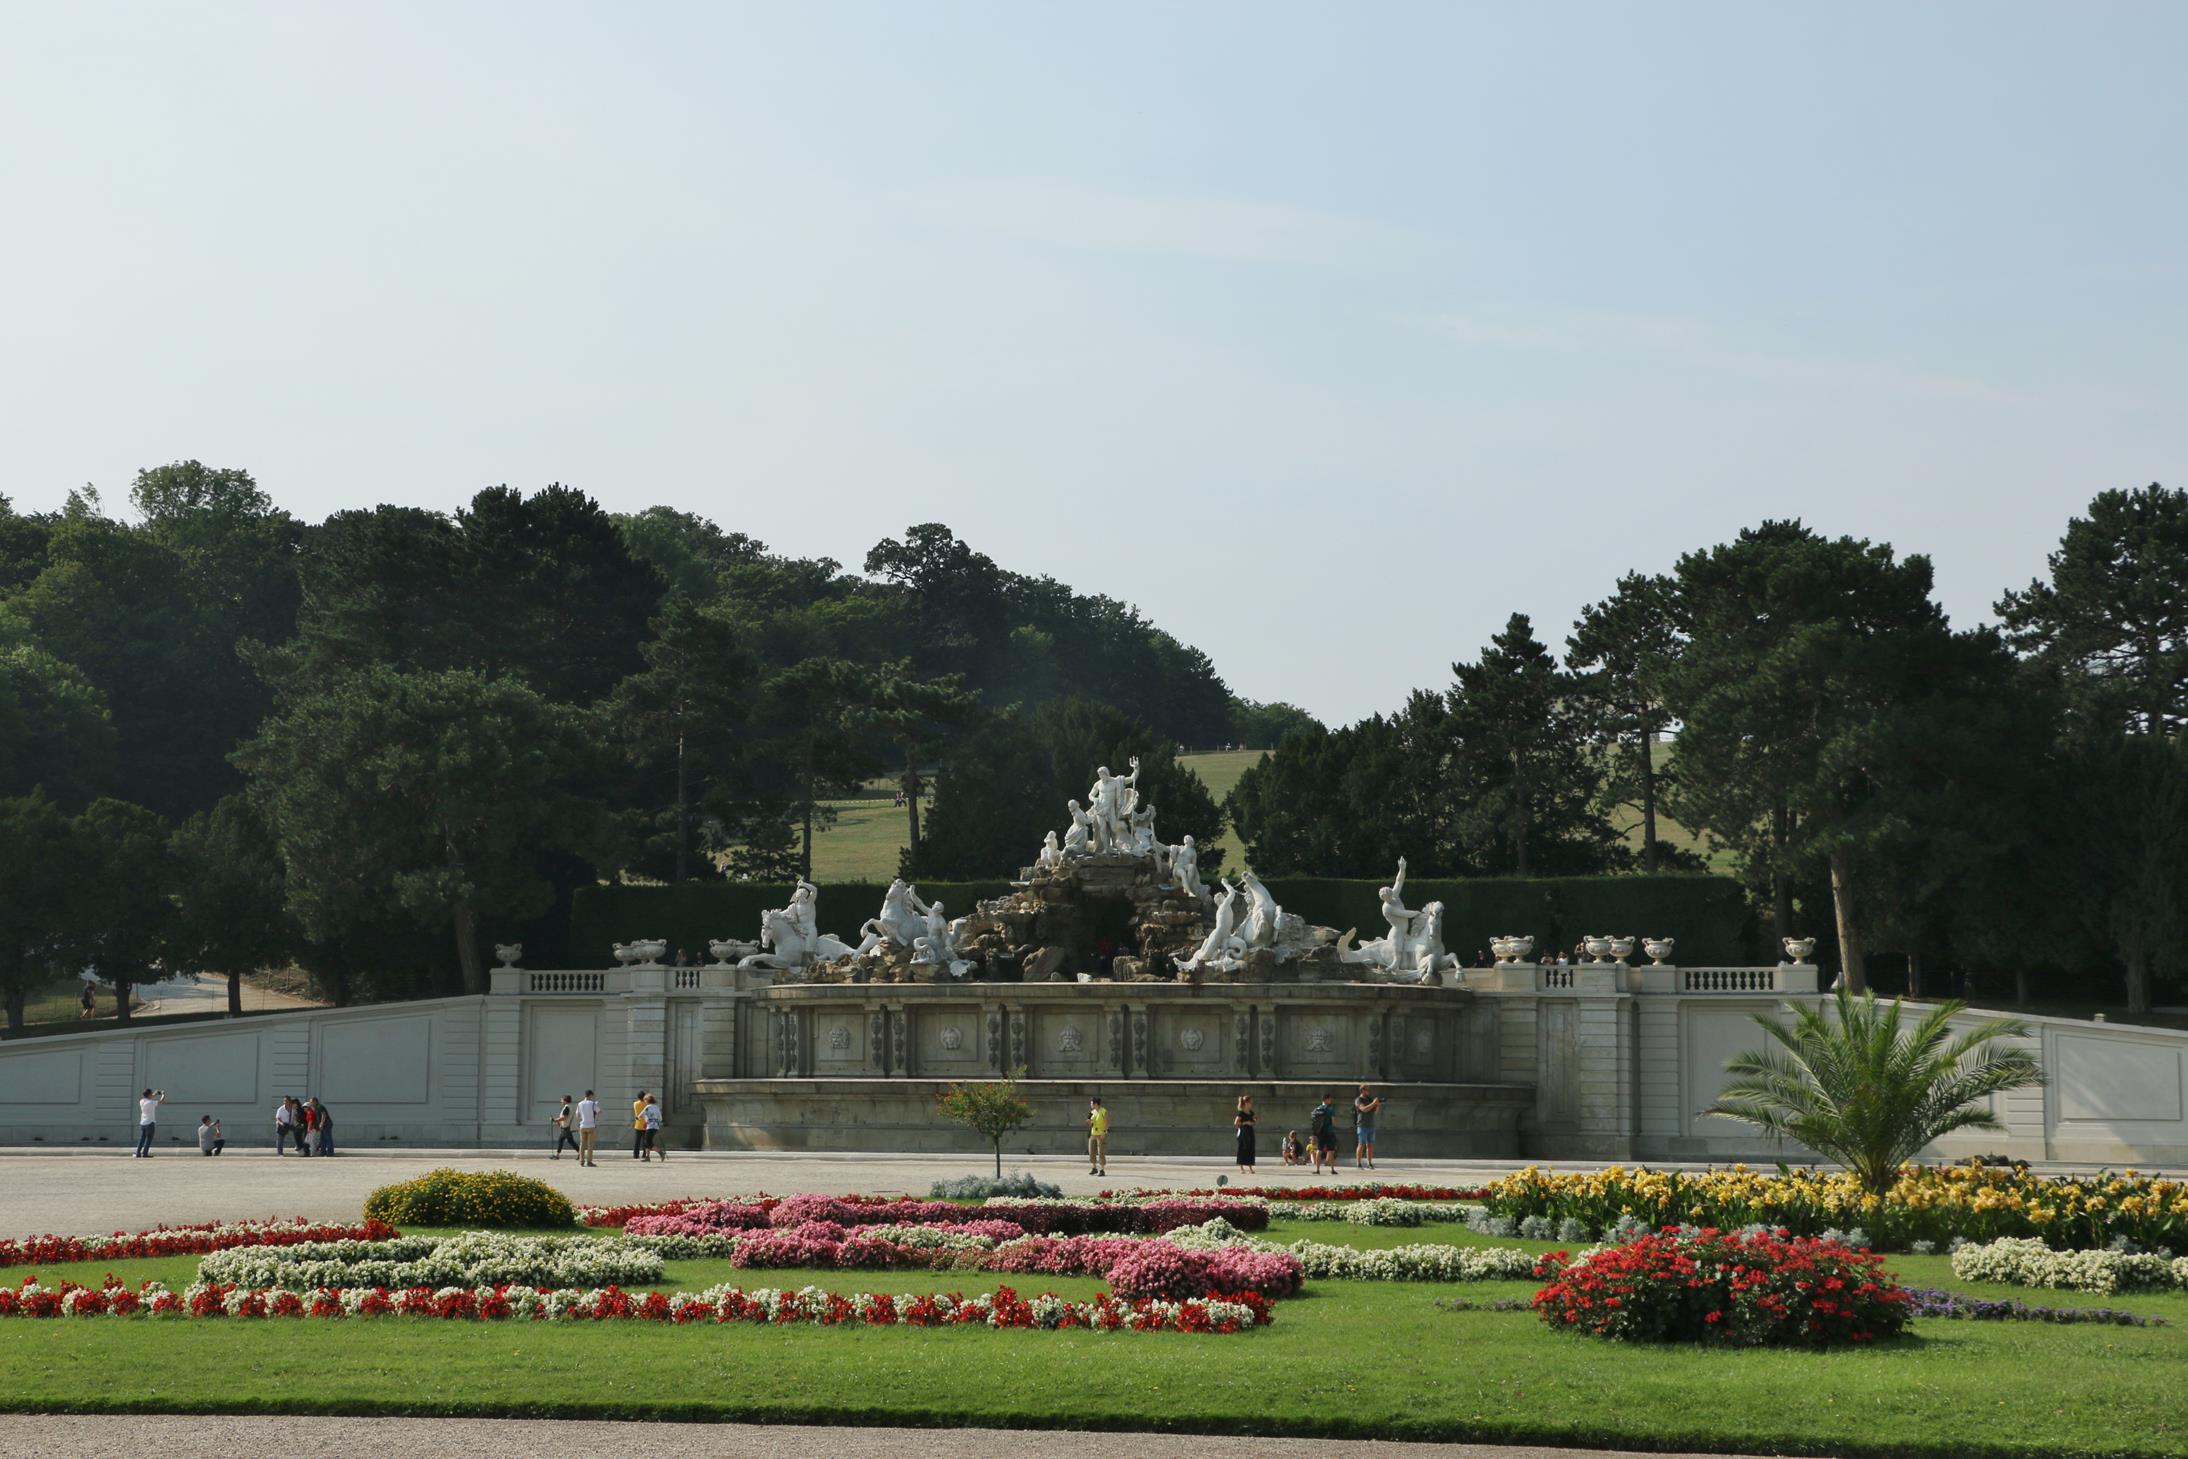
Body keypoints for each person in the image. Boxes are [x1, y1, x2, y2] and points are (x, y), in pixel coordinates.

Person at [1353, 1084, 1383, 1170]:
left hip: (1371, 1125)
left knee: (1370, 1145)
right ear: (1362, 1090)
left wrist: (1377, 1105)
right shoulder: (1358, 1099)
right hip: (1362, 1125)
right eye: (1367, 1090)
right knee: (1361, 1144)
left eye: (1369, 1090)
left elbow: (1375, 1112)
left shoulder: (1370, 1099)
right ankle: (1358, 1163)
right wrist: (1373, 1103)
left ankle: (1369, 1163)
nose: (1368, 1091)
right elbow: (1364, 1109)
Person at [1309, 1092, 1339, 1174]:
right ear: (1326, 1099)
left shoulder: (1317, 1109)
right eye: (1330, 1099)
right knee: (1331, 1150)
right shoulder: (1330, 1109)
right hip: (1329, 1132)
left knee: (1319, 1150)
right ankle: (1332, 1169)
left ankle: (1317, 1169)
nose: (1331, 1101)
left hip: (1320, 1132)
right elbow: (1333, 1122)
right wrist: (1336, 1125)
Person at [134, 1088, 164, 1157]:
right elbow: (161, 1101)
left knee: (142, 1138)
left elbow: (148, 1097)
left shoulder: (141, 1101)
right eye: (151, 1093)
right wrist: (163, 1094)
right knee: (148, 1139)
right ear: (149, 1094)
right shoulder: (151, 1102)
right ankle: (145, 1153)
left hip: (143, 1122)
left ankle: (138, 1152)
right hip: (150, 1122)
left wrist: (154, 1094)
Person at [575, 1090, 601, 1167]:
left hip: (582, 1126)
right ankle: (589, 1161)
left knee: (582, 1144)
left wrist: (583, 1117)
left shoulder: (580, 1104)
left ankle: (581, 1161)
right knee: (590, 1145)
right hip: (591, 1126)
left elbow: (577, 1115)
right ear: (590, 1095)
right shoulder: (592, 1103)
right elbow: (599, 1111)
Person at [1086, 1096, 1109, 1177]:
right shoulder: (1092, 1112)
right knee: (1091, 1151)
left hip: (1100, 1134)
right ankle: (1094, 1168)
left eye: (1091, 1103)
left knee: (1101, 1152)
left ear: (1096, 1103)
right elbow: (1090, 1124)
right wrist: (1089, 1122)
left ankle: (1102, 1170)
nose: (1090, 1104)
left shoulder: (1103, 1111)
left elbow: (1106, 1123)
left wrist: (1104, 1132)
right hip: (1093, 1134)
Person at [1233, 1095, 1257, 1174]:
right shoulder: (1241, 1112)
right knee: (1243, 1148)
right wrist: (1245, 1122)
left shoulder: (1251, 1112)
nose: (1251, 1104)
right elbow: (1236, 1123)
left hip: (1250, 1131)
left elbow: (1255, 1120)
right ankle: (1241, 1168)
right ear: (1246, 1103)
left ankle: (1250, 1167)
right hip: (1243, 1132)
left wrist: (1254, 1120)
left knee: (1250, 1148)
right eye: (1250, 1102)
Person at [641, 1095, 665, 1161]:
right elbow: (660, 1118)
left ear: (647, 1100)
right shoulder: (657, 1107)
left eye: (645, 1100)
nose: (644, 1102)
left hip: (650, 1126)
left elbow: (641, 1114)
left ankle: (660, 1152)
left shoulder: (648, 1107)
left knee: (647, 1141)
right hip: (656, 1127)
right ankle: (647, 1156)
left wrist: (637, 1117)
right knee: (647, 1141)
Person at [632, 1092, 649, 1159]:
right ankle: (644, 1154)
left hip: (638, 1124)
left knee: (637, 1141)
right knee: (645, 1140)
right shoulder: (647, 1104)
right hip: (645, 1124)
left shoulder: (635, 1103)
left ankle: (635, 1154)